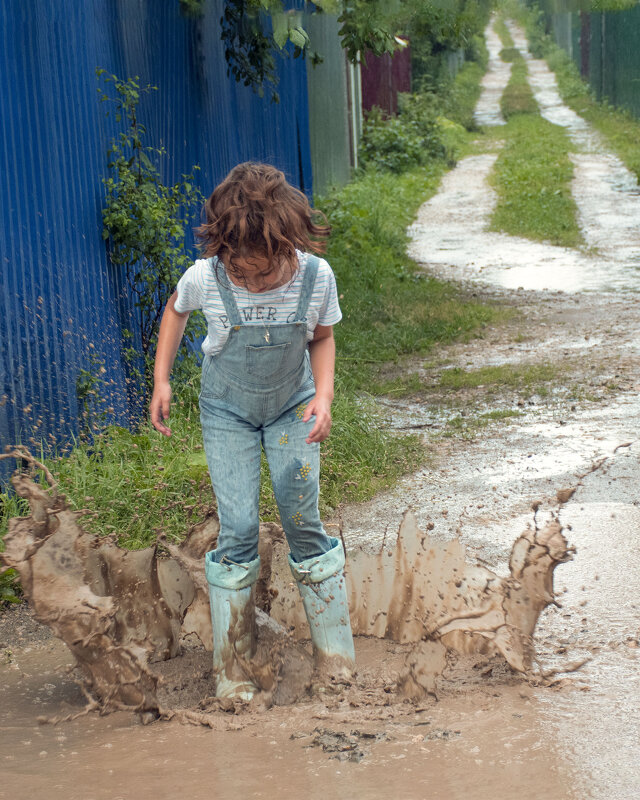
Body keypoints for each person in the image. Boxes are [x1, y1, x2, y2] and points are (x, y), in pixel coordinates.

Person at [149, 162, 355, 701]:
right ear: (222, 251)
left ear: (289, 245)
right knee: (238, 526)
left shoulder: (316, 278)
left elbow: (323, 339)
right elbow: (175, 313)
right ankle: (234, 672)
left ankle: (336, 660)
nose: (252, 281)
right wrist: (162, 380)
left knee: (300, 514)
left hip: (294, 407)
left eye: (263, 273)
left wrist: (324, 397)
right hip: (228, 413)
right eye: (241, 272)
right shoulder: (205, 276)